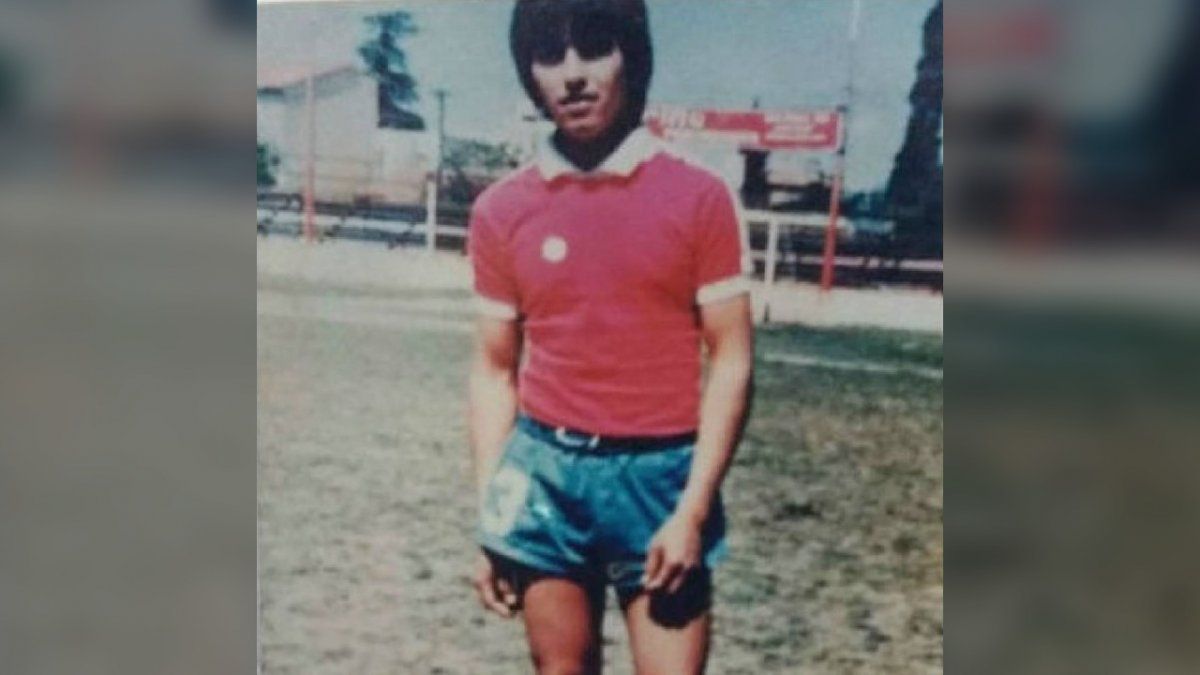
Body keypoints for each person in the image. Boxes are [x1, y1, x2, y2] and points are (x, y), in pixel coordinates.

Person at [467, 1, 753, 672]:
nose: (573, 74)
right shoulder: (501, 210)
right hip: (546, 475)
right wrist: (494, 517)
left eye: (595, 48)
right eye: (549, 55)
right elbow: (493, 370)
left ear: (633, 56)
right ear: (528, 72)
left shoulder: (699, 197)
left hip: (659, 481)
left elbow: (732, 361)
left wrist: (693, 509)